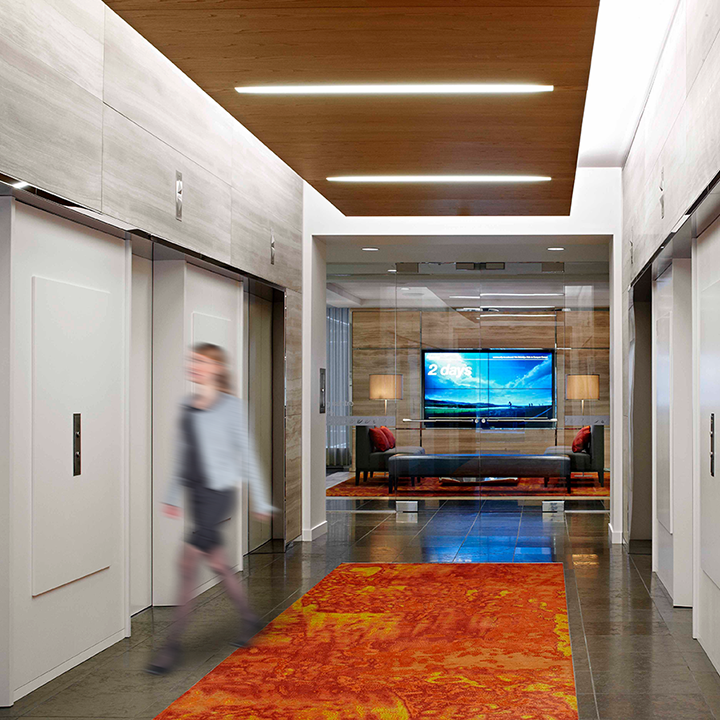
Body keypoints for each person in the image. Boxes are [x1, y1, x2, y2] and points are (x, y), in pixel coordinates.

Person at [146, 343, 273, 675]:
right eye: (192, 360)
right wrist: (172, 495)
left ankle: (171, 646)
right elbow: (183, 456)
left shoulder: (233, 407)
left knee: (186, 561)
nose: (193, 365)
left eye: (200, 361)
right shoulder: (186, 406)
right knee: (217, 563)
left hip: (219, 493)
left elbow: (247, 454)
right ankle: (249, 618)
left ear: (216, 368)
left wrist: (260, 500)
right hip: (196, 494)